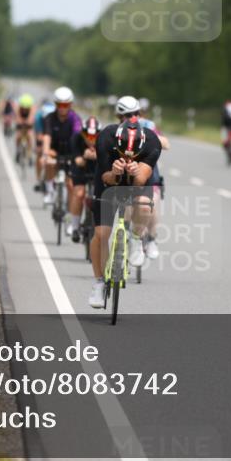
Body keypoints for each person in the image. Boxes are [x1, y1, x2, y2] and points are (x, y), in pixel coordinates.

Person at [87, 96, 163, 308]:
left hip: (137, 183)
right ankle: (99, 283)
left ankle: (137, 238)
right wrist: (115, 171)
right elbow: (105, 178)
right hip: (108, 184)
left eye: (133, 155)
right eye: (123, 153)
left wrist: (135, 171)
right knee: (101, 234)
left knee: (144, 204)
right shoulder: (106, 138)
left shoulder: (151, 142)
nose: (128, 156)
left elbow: (141, 181)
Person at [137, 97, 170, 259]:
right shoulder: (121, 128)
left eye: (140, 113)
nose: (138, 116)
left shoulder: (148, 125)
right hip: (128, 172)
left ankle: (151, 239)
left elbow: (166, 144)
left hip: (149, 171)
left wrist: (152, 139)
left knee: (154, 201)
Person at [40, 86, 82, 206]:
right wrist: (45, 153)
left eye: (66, 105)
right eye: (60, 105)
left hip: (70, 152)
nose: (62, 108)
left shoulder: (75, 119)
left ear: (70, 105)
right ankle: (50, 191)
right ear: (55, 104)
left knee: (70, 184)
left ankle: (69, 210)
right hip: (55, 151)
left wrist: (76, 157)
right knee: (48, 161)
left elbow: (76, 137)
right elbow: (47, 137)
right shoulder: (49, 118)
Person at [69, 116, 101, 242]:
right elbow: (77, 160)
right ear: (83, 133)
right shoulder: (76, 138)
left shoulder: (103, 139)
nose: (91, 140)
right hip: (81, 168)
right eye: (88, 136)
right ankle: (75, 226)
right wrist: (84, 156)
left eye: (94, 137)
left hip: (97, 169)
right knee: (79, 193)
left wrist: (97, 156)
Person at [33, 98, 55, 192]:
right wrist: (41, 147)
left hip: (52, 137)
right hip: (42, 135)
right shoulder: (38, 117)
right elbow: (39, 135)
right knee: (39, 153)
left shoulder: (54, 118)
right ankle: (38, 179)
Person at [13, 93, 35, 162]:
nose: (25, 109)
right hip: (20, 124)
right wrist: (20, 121)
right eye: (23, 107)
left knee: (30, 136)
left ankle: (30, 154)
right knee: (18, 136)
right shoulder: (18, 108)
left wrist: (29, 122)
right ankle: (17, 151)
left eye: (26, 108)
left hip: (28, 124)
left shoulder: (32, 108)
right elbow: (17, 117)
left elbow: (31, 117)